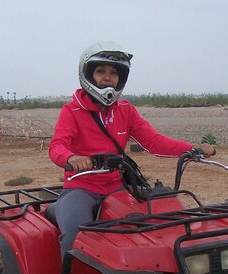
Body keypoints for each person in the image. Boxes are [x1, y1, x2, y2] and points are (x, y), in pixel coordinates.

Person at [48, 41, 216, 257]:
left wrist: (192, 148)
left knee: (152, 227)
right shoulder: (72, 111)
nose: (107, 77)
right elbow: (57, 146)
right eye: (101, 71)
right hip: (81, 187)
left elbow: (154, 141)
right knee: (75, 235)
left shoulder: (125, 110)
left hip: (118, 187)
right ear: (88, 76)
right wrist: (71, 158)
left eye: (113, 73)